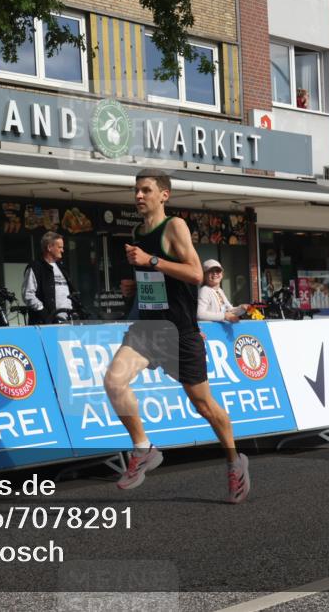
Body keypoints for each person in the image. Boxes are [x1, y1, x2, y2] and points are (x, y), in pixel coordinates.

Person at [102, 169, 250, 504]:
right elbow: (157, 282)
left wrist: (151, 260)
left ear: (163, 195)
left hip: (180, 331)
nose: (139, 196)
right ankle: (144, 448)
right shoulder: (138, 232)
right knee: (113, 382)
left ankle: (234, 461)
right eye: (136, 190)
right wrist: (134, 286)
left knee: (203, 405)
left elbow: (196, 273)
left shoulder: (175, 226)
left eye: (146, 190)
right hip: (149, 329)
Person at [22, 231, 75, 324]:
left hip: (67, 321)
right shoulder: (36, 267)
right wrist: (44, 314)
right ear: (49, 247)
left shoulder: (62, 267)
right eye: (59, 247)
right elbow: (28, 294)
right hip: (46, 324)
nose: (62, 250)